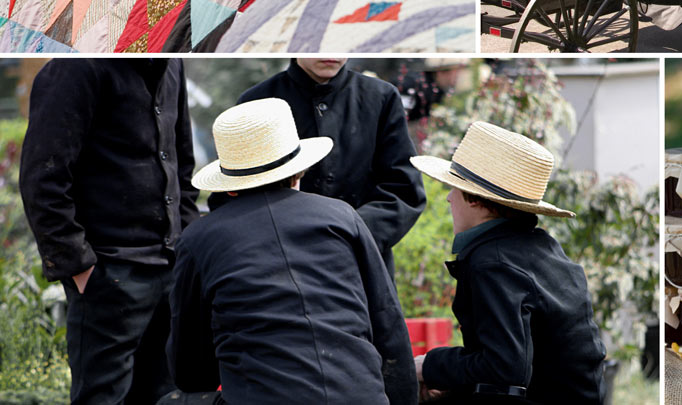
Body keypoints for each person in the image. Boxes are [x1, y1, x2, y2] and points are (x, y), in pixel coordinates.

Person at [167, 98, 416, 404]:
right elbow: (387, 324)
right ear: (299, 171)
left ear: (229, 186)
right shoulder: (342, 217)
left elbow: (190, 368)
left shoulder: (198, 240)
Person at [19, 60, 198, 405]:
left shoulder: (172, 62)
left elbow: (182, 164)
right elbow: (43, 177)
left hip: (170, 268)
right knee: (102, 398)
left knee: (167, 396)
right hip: (108, 273)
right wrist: (81, 268)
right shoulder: (77, 68)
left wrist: (186, 244)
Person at [413, 122, 607, 403]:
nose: (448, 197)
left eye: (454, 188)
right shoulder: (538, 245)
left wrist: (429, 366)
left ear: (476, 200)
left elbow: (504, 368)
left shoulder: (493, 263)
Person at [212, 58, 425, 279]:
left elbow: (404, 190)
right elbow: (232, 192)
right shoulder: (257, 102)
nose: (330, 52)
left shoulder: (380, 97)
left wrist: (348, 236)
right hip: (276, 267)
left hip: (360, 266)